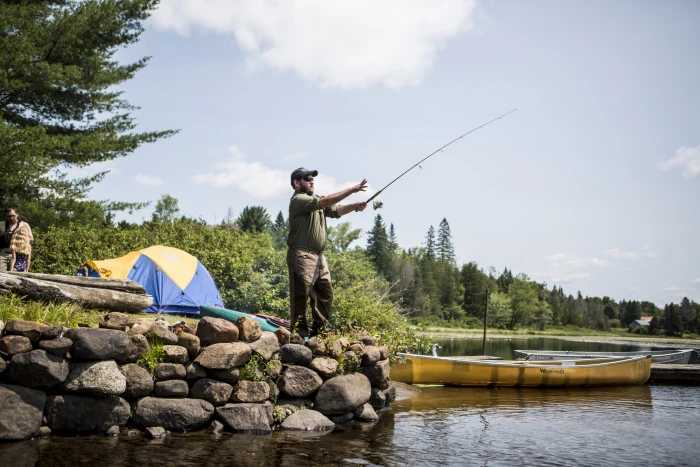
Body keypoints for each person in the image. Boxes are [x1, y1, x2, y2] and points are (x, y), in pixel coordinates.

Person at [287, 168, 368, 337]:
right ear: (296, 183)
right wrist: (352, 189)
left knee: (325, 294)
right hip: (302, 255)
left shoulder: (316, 200)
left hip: (319, 257)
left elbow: (336, 210)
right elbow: (325, 202)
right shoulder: (298, 200)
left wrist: (355, 206)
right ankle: (298, 336)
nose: (311, 181)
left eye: (312, 178)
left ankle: (319, 334)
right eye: (307, 178)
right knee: (301, 297)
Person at [0, 206, 34, 272]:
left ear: (17, 214)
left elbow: (31, 239)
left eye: (13, 215)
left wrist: (19, 239)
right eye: (8, 216)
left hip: (18, 255)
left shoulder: (24, 225)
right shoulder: (1, 224)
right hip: (3, 254)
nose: (11, 218)